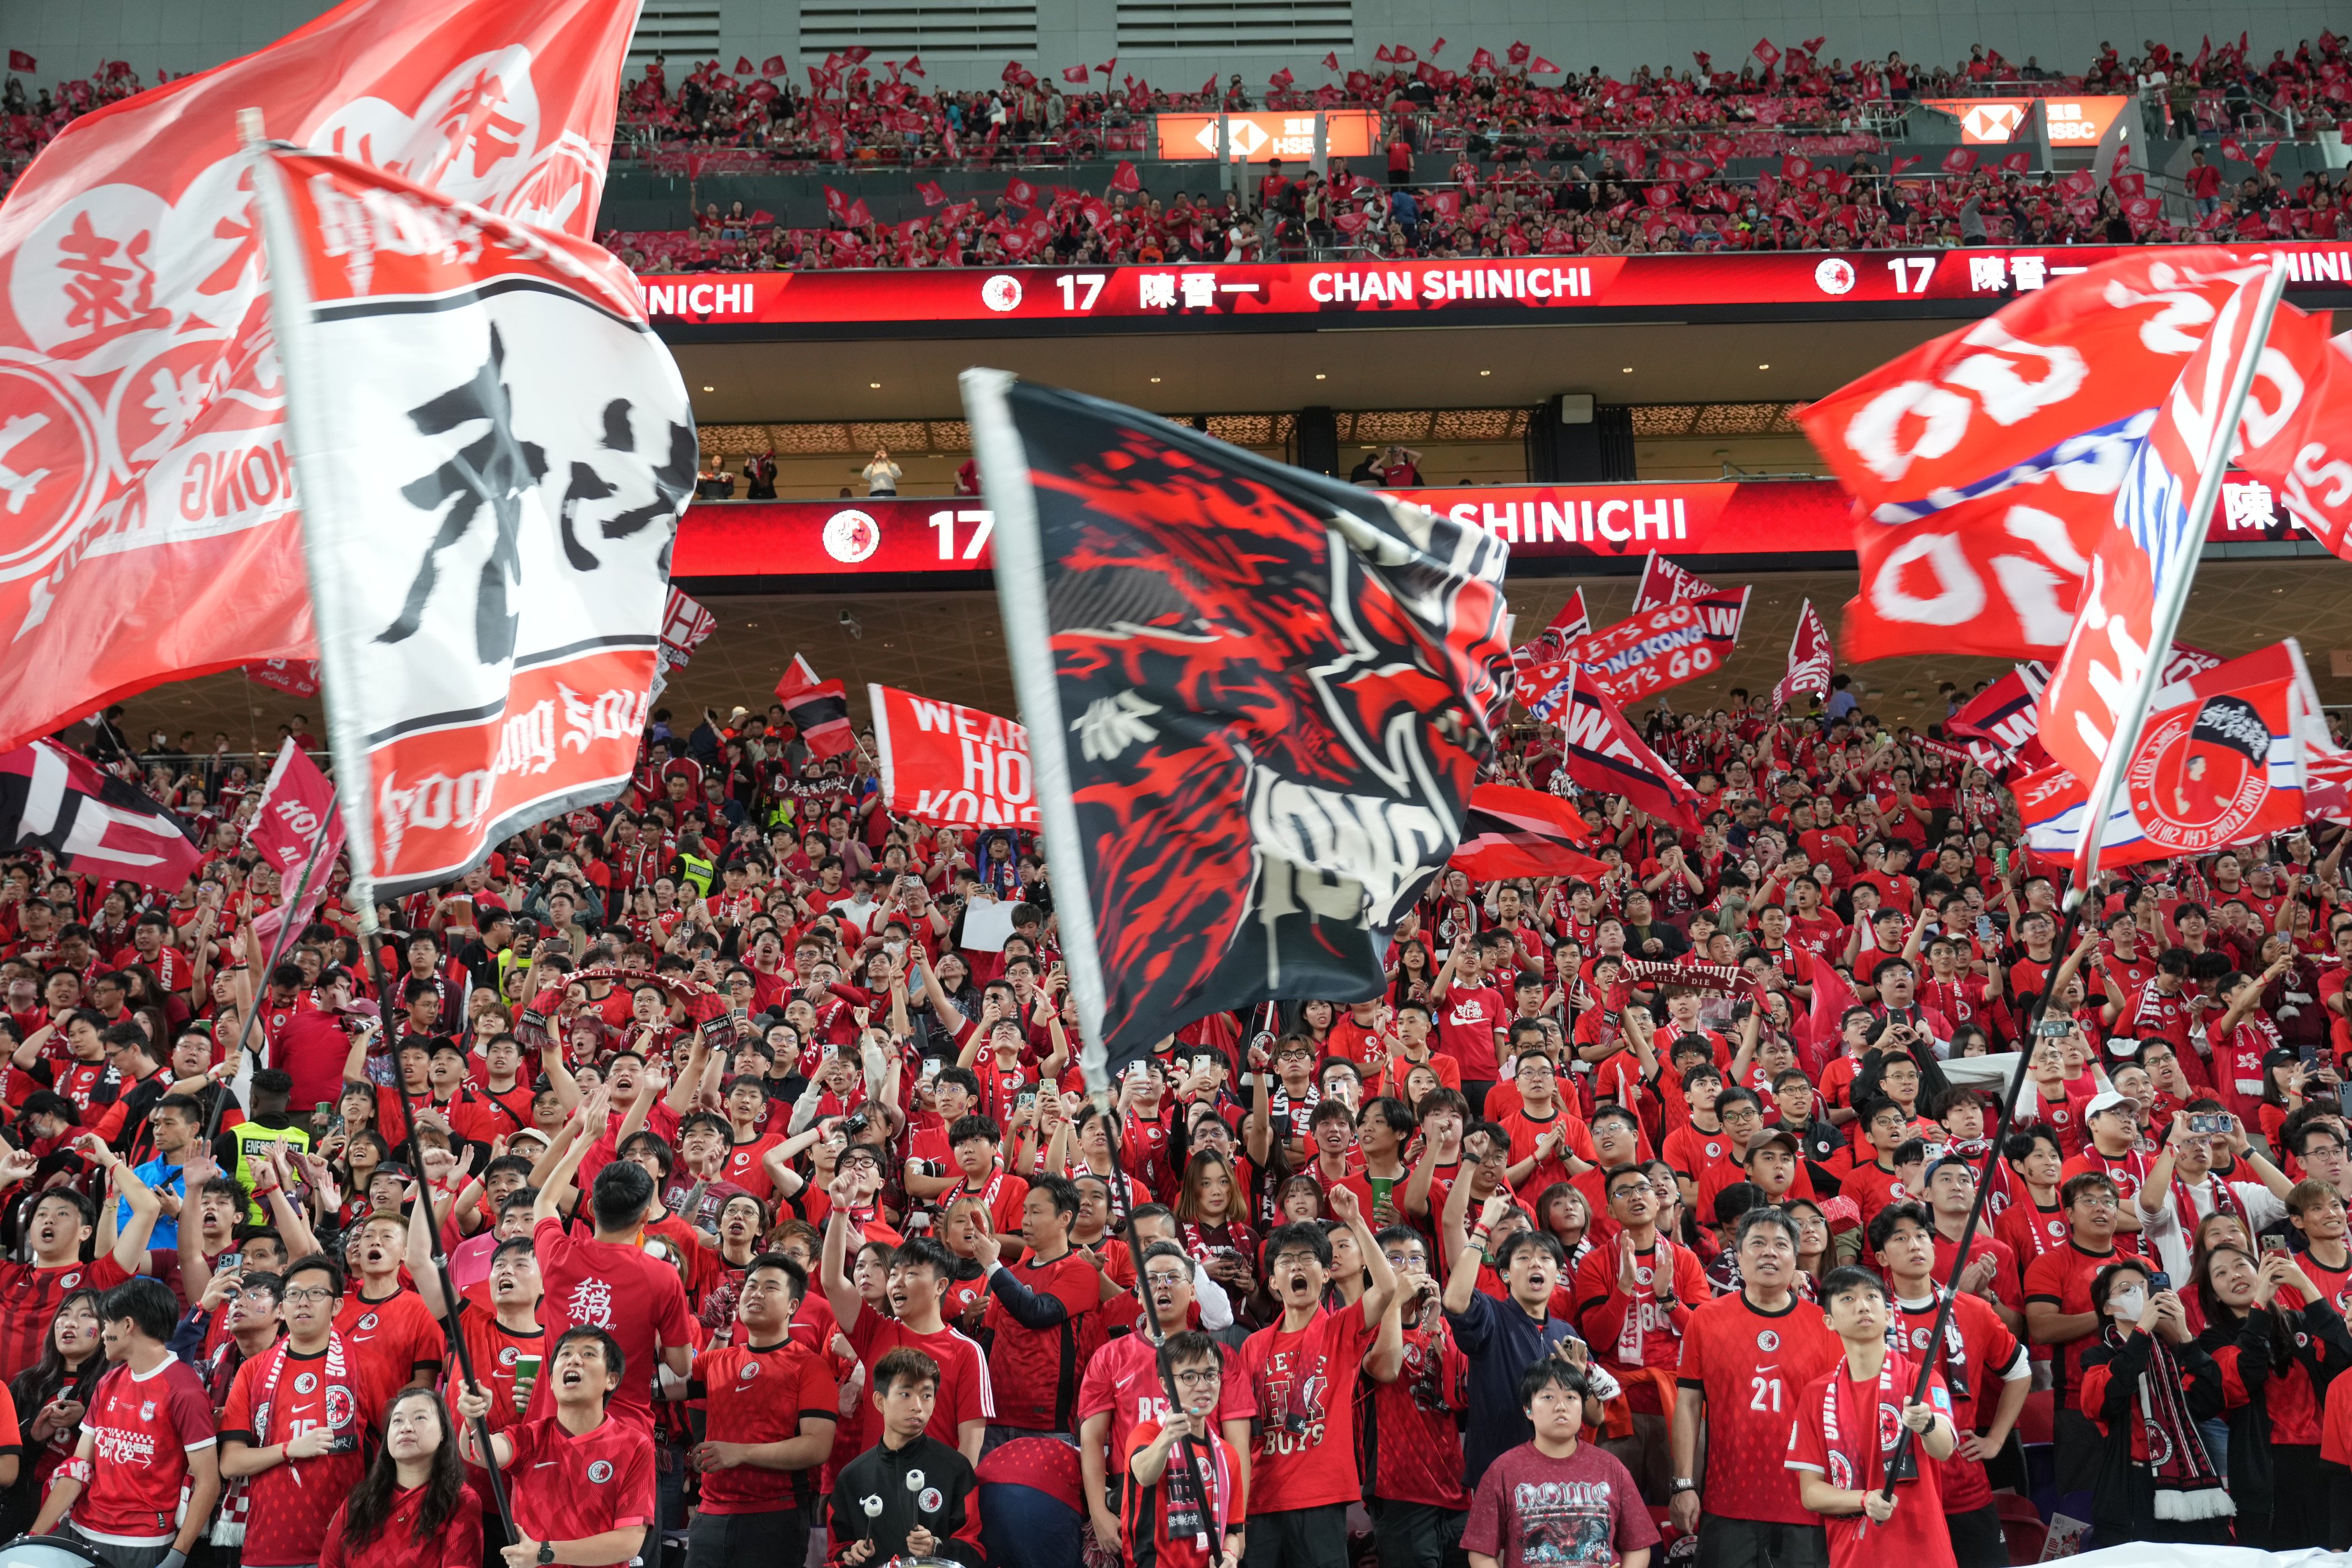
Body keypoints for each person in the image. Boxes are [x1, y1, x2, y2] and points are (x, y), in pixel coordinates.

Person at [1670, 1206, 1845, 1568]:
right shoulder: (1706, 1319)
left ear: (1795, 1257)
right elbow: (1687, 1404)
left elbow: (1840, 1418)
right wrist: (1683, 1484)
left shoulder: (1826, 1326)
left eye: (1781, 1245)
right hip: (1727, 1503)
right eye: (1758, 1243)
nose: (1769, 1252)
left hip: (1804, 1505)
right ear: (1737, 1254)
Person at [1239, 1184, 1396, 1568]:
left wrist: (1356, 1221)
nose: (1296, 1266)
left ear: (1325, 1274)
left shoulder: (1340, 1330)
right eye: (1285, 1261)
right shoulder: (1253, 1345)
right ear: (1273, 1283)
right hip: (1261, 1497)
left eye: (1307, 1258)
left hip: (1319, 1496)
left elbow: (1388, 1287)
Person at [1869, 1202, 2031, 1568]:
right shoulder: (1868, 1316)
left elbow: (2019, 1370)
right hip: (1895, 1486)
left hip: (1964, 1483)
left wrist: (1996, 1440)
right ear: (1881, 1256)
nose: (1914, 1245)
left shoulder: (1973, 1309)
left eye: (1922, 1236)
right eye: (1900, 1238)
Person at [219, 1252, 399, 1568]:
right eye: (293, 1294)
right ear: (282, 1308)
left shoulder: (368, 1366)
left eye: (316, 1293)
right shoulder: (253, 1371)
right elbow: (231, 1462)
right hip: (267, 1547)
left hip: (348, 1544)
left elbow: (395, 1456)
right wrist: (290, 1449)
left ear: (337, 1306)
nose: (303, 1302)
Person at [30, 1276, 223, 1568]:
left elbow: (209, 1483)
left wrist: (178, 1555)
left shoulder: (185, 1391)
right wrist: (35, 1536)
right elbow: (78, 1467)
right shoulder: (108, 1382)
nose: (103, 1332)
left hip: (140, 1544)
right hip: (79, 1532)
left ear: (128, 1326)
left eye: (107, 1323)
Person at [1077, 1241, 1254, 1555]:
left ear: (1193, 1291)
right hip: (1134, 1496)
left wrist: (1234, 1529)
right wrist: (1098, 1512)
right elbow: (1091, 1439)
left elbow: (1238, 1446)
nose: (1163, 1286)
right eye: (1152, 1280)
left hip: (1204, 1489)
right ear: (1139, 1294)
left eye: (1173, 1277)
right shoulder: (1109, 1356)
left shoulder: (1222, 1358)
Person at [531, 1093, 694, 1431]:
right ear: (646, 1217)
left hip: (552, 1427)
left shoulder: (558, 1255)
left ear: (591, 1210)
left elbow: (545, 1198)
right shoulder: (663, 1277)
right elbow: (680, 1366)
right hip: (625, 1434)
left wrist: (588, 1136)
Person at [1785, 1266, 1960, 1568]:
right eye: (1848, 1299)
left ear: (1889, 1313)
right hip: (1853, 1555)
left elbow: (1943, 1448)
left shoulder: (1921, 1380)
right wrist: (1865, 1499)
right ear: (1828, 1321)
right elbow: (1811, 1493)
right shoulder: (1816, 1395)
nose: (1863, 1305)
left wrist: (1927, 1424)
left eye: (1871, 1296)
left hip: (1924, 1551)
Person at [455, 1325, 657, 1568]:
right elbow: (478, 1452)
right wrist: (473, 1419)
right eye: (565, 1354)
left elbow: (627, 1543)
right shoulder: (530, 1438)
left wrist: (544, 1553)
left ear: (611, 1380)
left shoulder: (635, 1446)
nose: (574, 1360)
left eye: (589, 1354)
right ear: (551, 1381)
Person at [2194, 1241, 2351, 1548]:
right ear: (2213, 1293)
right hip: (2266, 1470)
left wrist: (2304, 1283)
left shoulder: (2299, 1322)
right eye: (2221, 1273)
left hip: (2326, 1463)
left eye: (2241, 1266)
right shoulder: (2213, 1340)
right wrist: (2260, 1308)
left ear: (2260, 1270)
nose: (2235, 1276)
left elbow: (2345, 1356)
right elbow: (2245, 1374)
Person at [686, 1252, 839, 1566]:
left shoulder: (810, 1367)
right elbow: (659, 1385)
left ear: (792, 1306)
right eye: (751, 1286)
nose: (755, 1293)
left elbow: (817, 1446)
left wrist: (741, 1452)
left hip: (774, 1517)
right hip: (708, 1518)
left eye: (771, 1288)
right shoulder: (717, 1359)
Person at [2075, 1258, 2233, 1544]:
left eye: (2144, 1288)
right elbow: (2101, 1403)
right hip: (2133, 1486)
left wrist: (2184, 1333)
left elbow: (2211, 1402)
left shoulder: (2174, 1352)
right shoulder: (2098, 1357)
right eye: (2127, 1289)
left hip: (2190, 1482)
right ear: (2107, 1308)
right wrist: (2142, 1332)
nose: (2140, 1295)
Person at [1443, 1190, 1586, 1484]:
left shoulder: (1566, 1332)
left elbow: (1594, 1415)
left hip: (1557, 1474)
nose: (1536, 1264)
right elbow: (1456, 1301)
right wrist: (1483, 1228)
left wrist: (1580, 1382)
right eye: (1524, 1258)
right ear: (1505, 1274)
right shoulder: (1490, 1313)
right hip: (1497, 1473)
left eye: (1545, 1258)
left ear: (1557, 1272)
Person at [1462, 1358, 1656, 1568]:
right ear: (1528, 1409)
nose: (1561, 1406)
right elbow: (1481, 1551)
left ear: (1582, 1408)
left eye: (1571, 1397)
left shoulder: (1611, 1467)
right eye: (1548, 1397)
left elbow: (1638, 1545)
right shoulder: (1503, 1470)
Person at [825, 1347, 984, 1567]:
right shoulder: (852, 1477)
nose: (918, 1407)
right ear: (880, 1401)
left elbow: (976, 1552)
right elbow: (836, 1552)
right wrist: (850, 1555)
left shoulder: (955, 1469)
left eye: (926, 1396)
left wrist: (936, 1548)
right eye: (905, 1394)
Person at [2023, 1171, 2125, 1497]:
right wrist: (2108, 1314)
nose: (2101, 1208)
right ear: (2068, 1213)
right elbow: (2041, 1328)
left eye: (2109, 1201)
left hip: (2140, 1402)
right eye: (2090, 1201)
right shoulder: (2049, 1264)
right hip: (2078, 1406)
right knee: (2084, 1511)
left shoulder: (2140, 1265)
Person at [1122, 1330, 1249, 1568]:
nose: (1203, 1386)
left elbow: (1234, 1531)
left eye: (1211, 1375)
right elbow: (1143, 1474)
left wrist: (1230, 1555)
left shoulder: (1227, 1454)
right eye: (1189, 1376)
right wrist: (1167, 1438)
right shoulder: (1148, 1434)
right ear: (1166, 1385)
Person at [317, 1388, 484, 1568]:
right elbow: (329, 1563)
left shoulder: (461, 1500)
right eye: (397, 1420)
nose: (406, 1428)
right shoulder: (358, 1501)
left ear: (444, 1432)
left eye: (419, 1418)